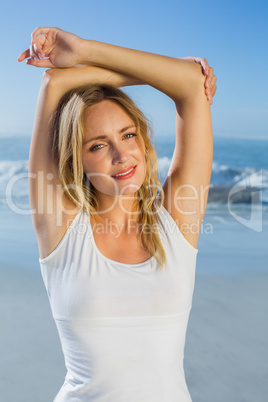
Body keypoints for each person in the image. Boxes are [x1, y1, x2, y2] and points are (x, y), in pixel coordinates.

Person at [18, 26, 217, 401]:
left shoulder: (175, 225)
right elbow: (52, 84)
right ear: (76, 159)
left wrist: (84, 51)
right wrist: (163, 73)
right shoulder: (61, 228)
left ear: (143, 138)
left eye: (128, 135)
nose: (121, 155)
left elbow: (191, 84)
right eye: (98, 145)